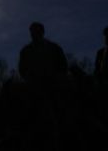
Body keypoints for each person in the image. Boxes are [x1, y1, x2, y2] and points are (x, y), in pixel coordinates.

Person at [18, 22, 68, 150]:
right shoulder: (26, 51)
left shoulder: (53, 48)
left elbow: (63, 67)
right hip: (33, 92)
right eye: (32, 31)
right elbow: (22, 70)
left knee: (56, 122)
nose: (34, 33)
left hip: (53, 91)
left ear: (42, 32)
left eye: (37, 31)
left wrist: (55, 79)